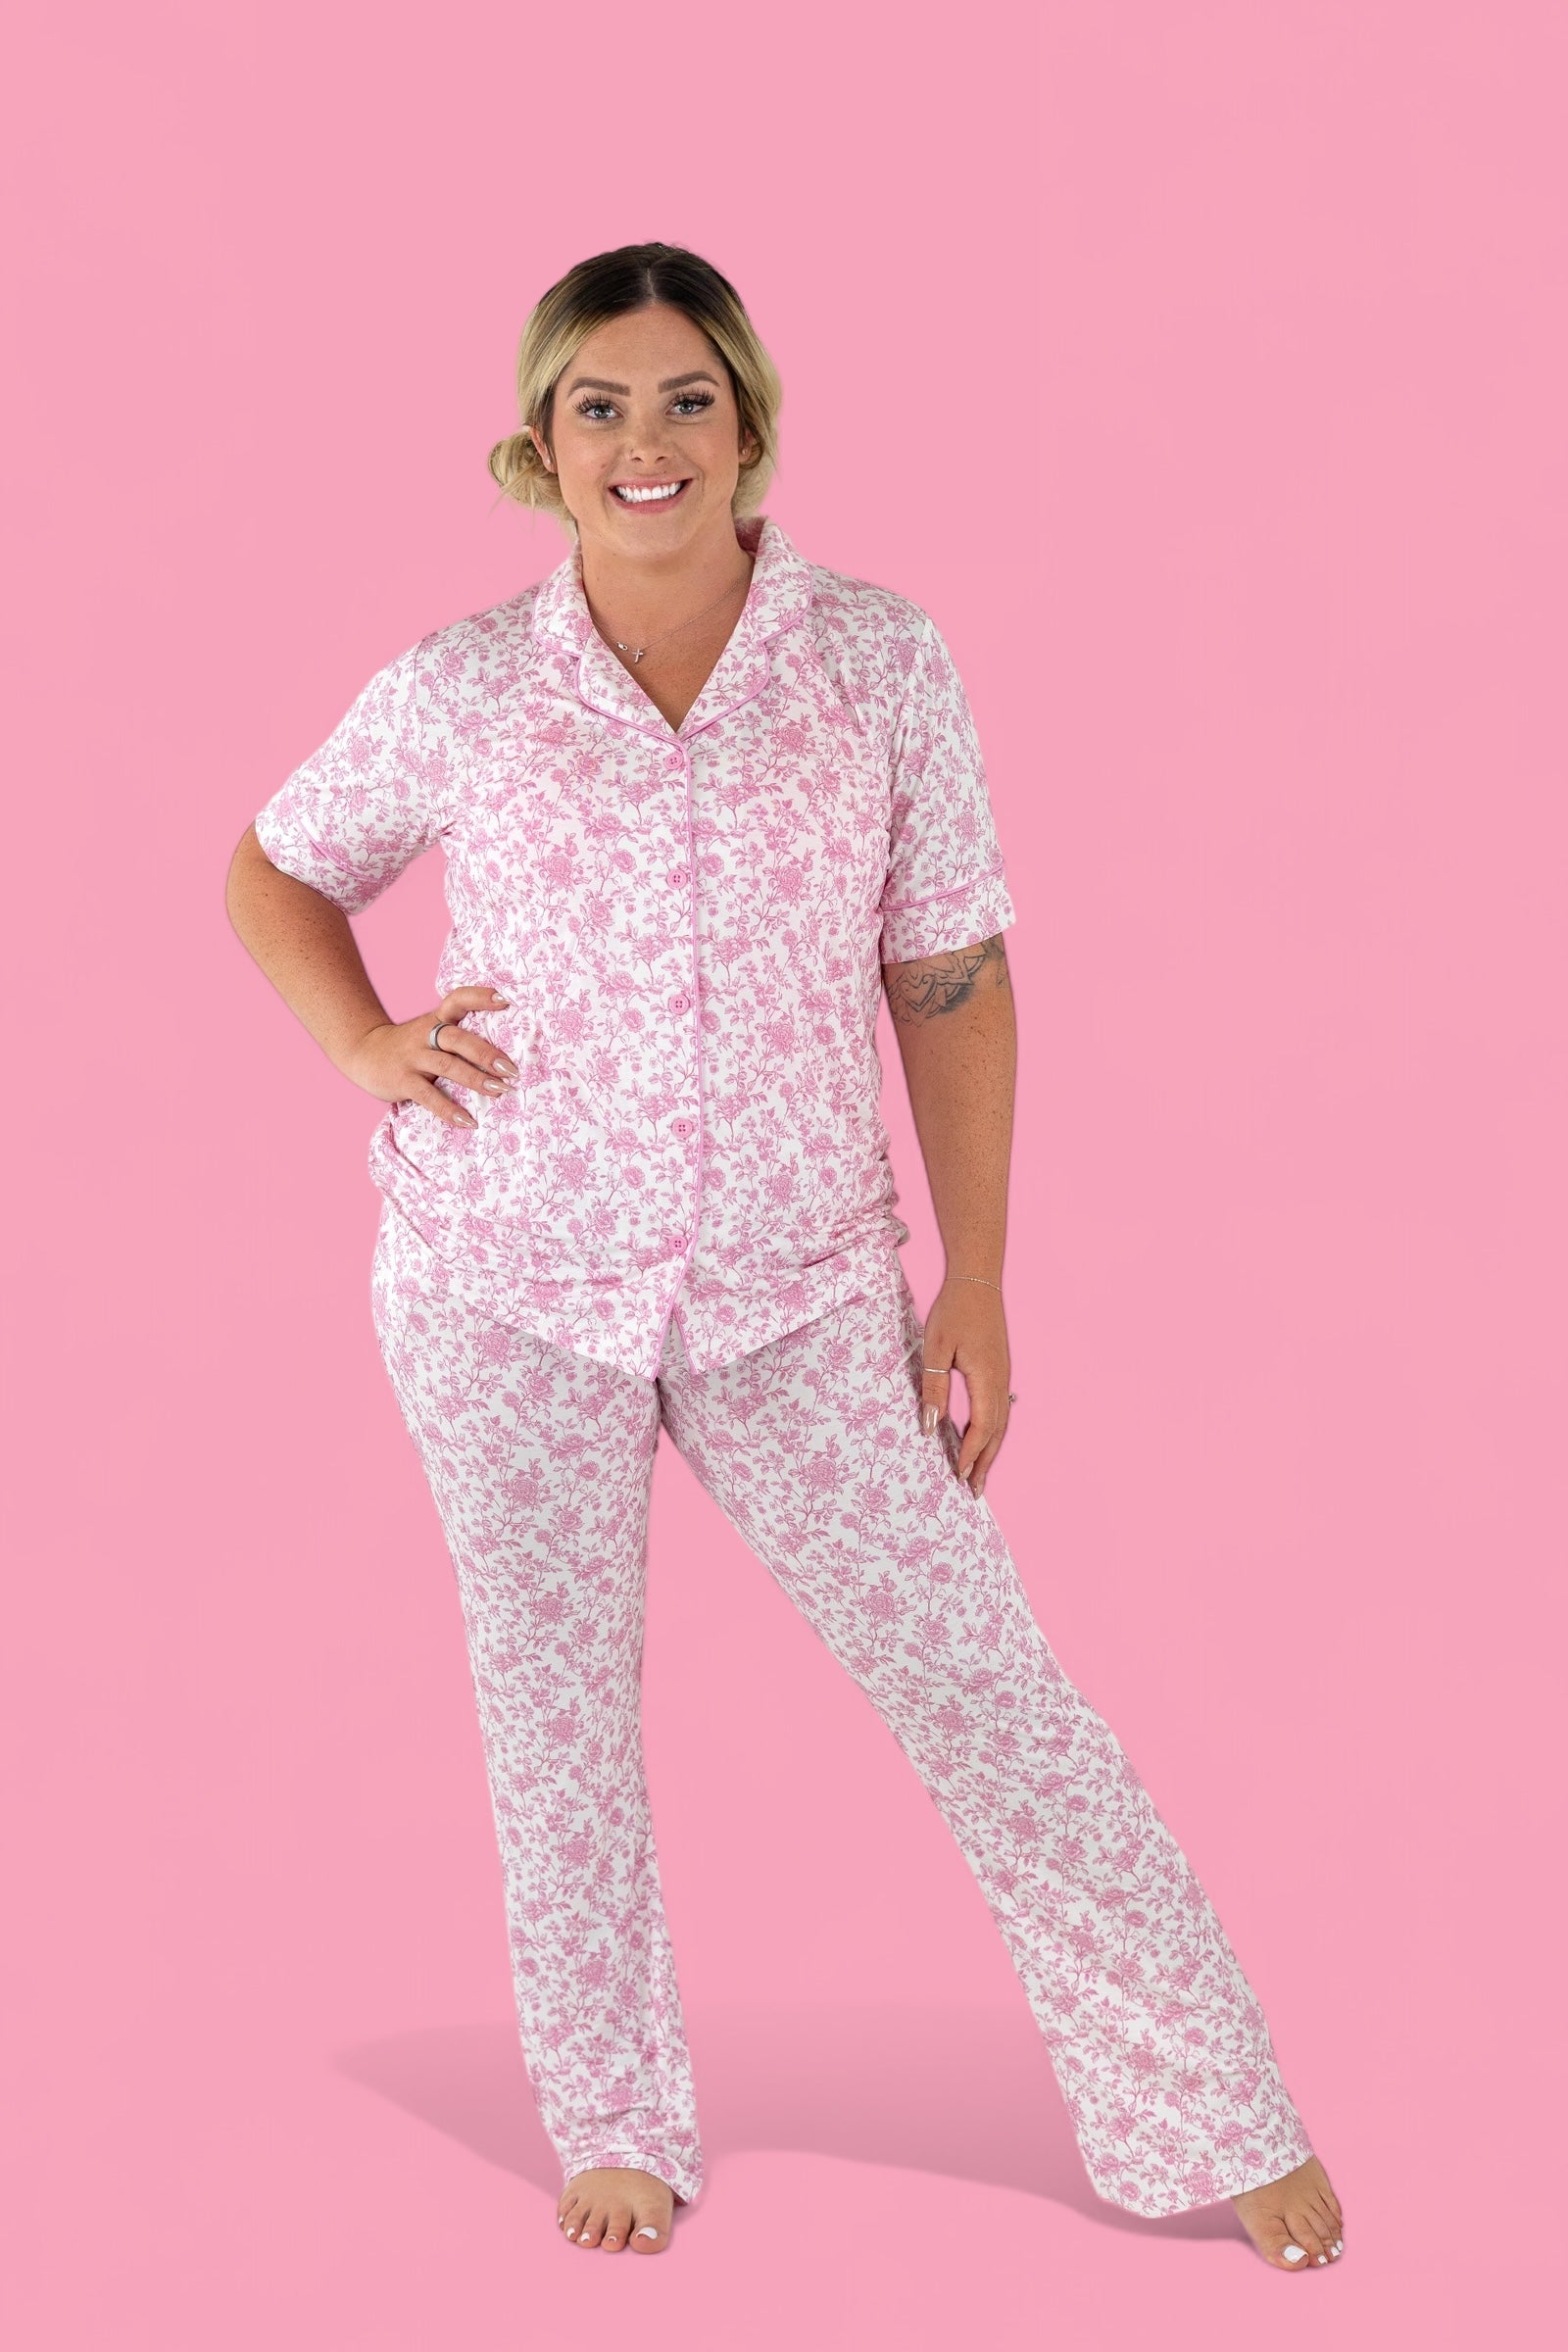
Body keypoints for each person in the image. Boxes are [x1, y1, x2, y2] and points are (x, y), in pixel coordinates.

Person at [225, 242, 1343, 2274]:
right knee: (553, 1718)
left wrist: (974, 1278)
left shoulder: (876, 662)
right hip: (504, 1281)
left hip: (798, 1291)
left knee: (986, 1683)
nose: (644, 442)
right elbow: (277, 866)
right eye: (599, 407)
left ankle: (1209, 2105)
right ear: (540, 442)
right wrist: (365, 1046)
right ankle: (618, 2122)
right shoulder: (465, 685)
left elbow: (949, 973)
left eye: (686, 400)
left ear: (746, 426)